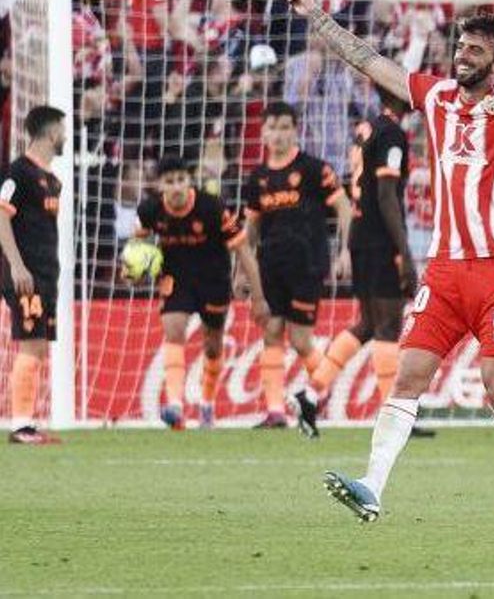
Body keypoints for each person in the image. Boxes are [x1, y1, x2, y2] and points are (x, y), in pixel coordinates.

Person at [315, 0, 494, 525]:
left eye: (475, 50)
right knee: (410, 374)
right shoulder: (436, 96)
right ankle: (372, 486)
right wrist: (315, 15)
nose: (462, 57)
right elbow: (369, 61)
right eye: (460, 47)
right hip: (446, 270)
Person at [298, 91, 422, 435]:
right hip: (381, 239)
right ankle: (395, 418)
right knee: (388, 326)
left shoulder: (366, 129)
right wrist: (404, 251)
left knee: (367, 323)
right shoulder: (392, 133)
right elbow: (386, 194)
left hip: (359, 235)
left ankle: (310, 392)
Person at [242, 101, 352, 433]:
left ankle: (322, 388)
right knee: (271, 332)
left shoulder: (314, 169)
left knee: (302, 340)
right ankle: (275, 412)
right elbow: (249, 232)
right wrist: (240, 273)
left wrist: (345, 251)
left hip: (307, 263)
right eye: (272, 127)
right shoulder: (257, 178)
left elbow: (344, 209)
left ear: (295, 129)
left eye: (284, 127)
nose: (278, 134)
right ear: (263, 132)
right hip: (270, 266)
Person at [139, 156, 264, 430]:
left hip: (213, 280)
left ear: (190, 181)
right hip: (176, 279)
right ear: (160, 186)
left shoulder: (212, 207)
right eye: (169, 182)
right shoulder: (149, 210)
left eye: (181, 180)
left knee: (213, 345)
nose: (176, 187)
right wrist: (133, 265)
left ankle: (207, 404)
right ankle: (175, 404)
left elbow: (243, 250)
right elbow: (137, 245)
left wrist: (258, 295)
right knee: (173, 329)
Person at [1, 106, 65, 444]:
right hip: (25, 274)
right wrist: (16, 264)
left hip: (45, 274)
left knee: (38, 347)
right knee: (31, 345)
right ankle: (20, 425)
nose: (66, 136)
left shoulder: (53, 181)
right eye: (63, 130)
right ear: (52, 131)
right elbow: (1, 215)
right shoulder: (19, 172)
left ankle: (27, 423)